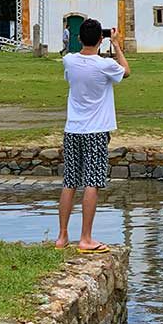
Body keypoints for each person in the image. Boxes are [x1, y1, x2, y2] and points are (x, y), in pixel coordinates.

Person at [56, 19, 130, 253]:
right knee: (92, 182)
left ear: (79, 39)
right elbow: (126, 71)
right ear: (101, 39)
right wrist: (116, 45)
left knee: (70, 182)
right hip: (96, 130)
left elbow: (70, 76)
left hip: (73, 129)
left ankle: (62, 236)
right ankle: (85, 238)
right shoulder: (104, 65)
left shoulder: (68, 60)